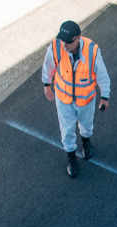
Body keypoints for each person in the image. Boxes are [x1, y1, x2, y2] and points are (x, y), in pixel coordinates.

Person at [42, 20, 110, 177]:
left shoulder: (92, 51)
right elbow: (48, 66)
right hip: (63, 98)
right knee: (66, 130)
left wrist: (105, 97)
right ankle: (71, 156)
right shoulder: (56, 47)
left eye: (69, 42)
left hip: (85, 100)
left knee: (86, 125)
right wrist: (47, 84)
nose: (65, 45)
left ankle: (86, 142)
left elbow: (102, 76)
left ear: (78, 38)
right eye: (63, 41)